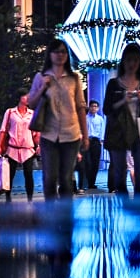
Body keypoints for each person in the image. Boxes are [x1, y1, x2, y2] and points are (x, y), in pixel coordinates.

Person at [25, 38, 89, 198]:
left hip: (71, 135)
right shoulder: (40, 77)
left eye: (63, 51)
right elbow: (31, 104)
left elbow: (81, 107)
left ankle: (65, 216)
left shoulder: (74, 78)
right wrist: (42, 88)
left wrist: (85, 136)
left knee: (66, 179)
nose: (60, 55)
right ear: (49, 54)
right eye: (56, 51)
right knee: (50, 178)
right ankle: (51, 215)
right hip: (49, 134)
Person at [101, 44, 140, 196]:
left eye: (136, 61)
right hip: (118, 130)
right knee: (119, 170)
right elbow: (107, 109)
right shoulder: (113, 84)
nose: (132, 64)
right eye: (129, 60)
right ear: (123, 61)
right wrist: (122, 101)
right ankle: (122, 203)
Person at [0, 89, 39, 200]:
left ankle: (30, 199)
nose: (28, 98)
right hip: (12, 148)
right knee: (10, 174)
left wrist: (39, 146)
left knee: (28, 174)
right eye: (25, 96)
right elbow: (3, 130)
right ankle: (8, 198)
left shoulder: (32, 114)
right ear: (20, 98)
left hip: (27, 149)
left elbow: (36, 133)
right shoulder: (10, 112)